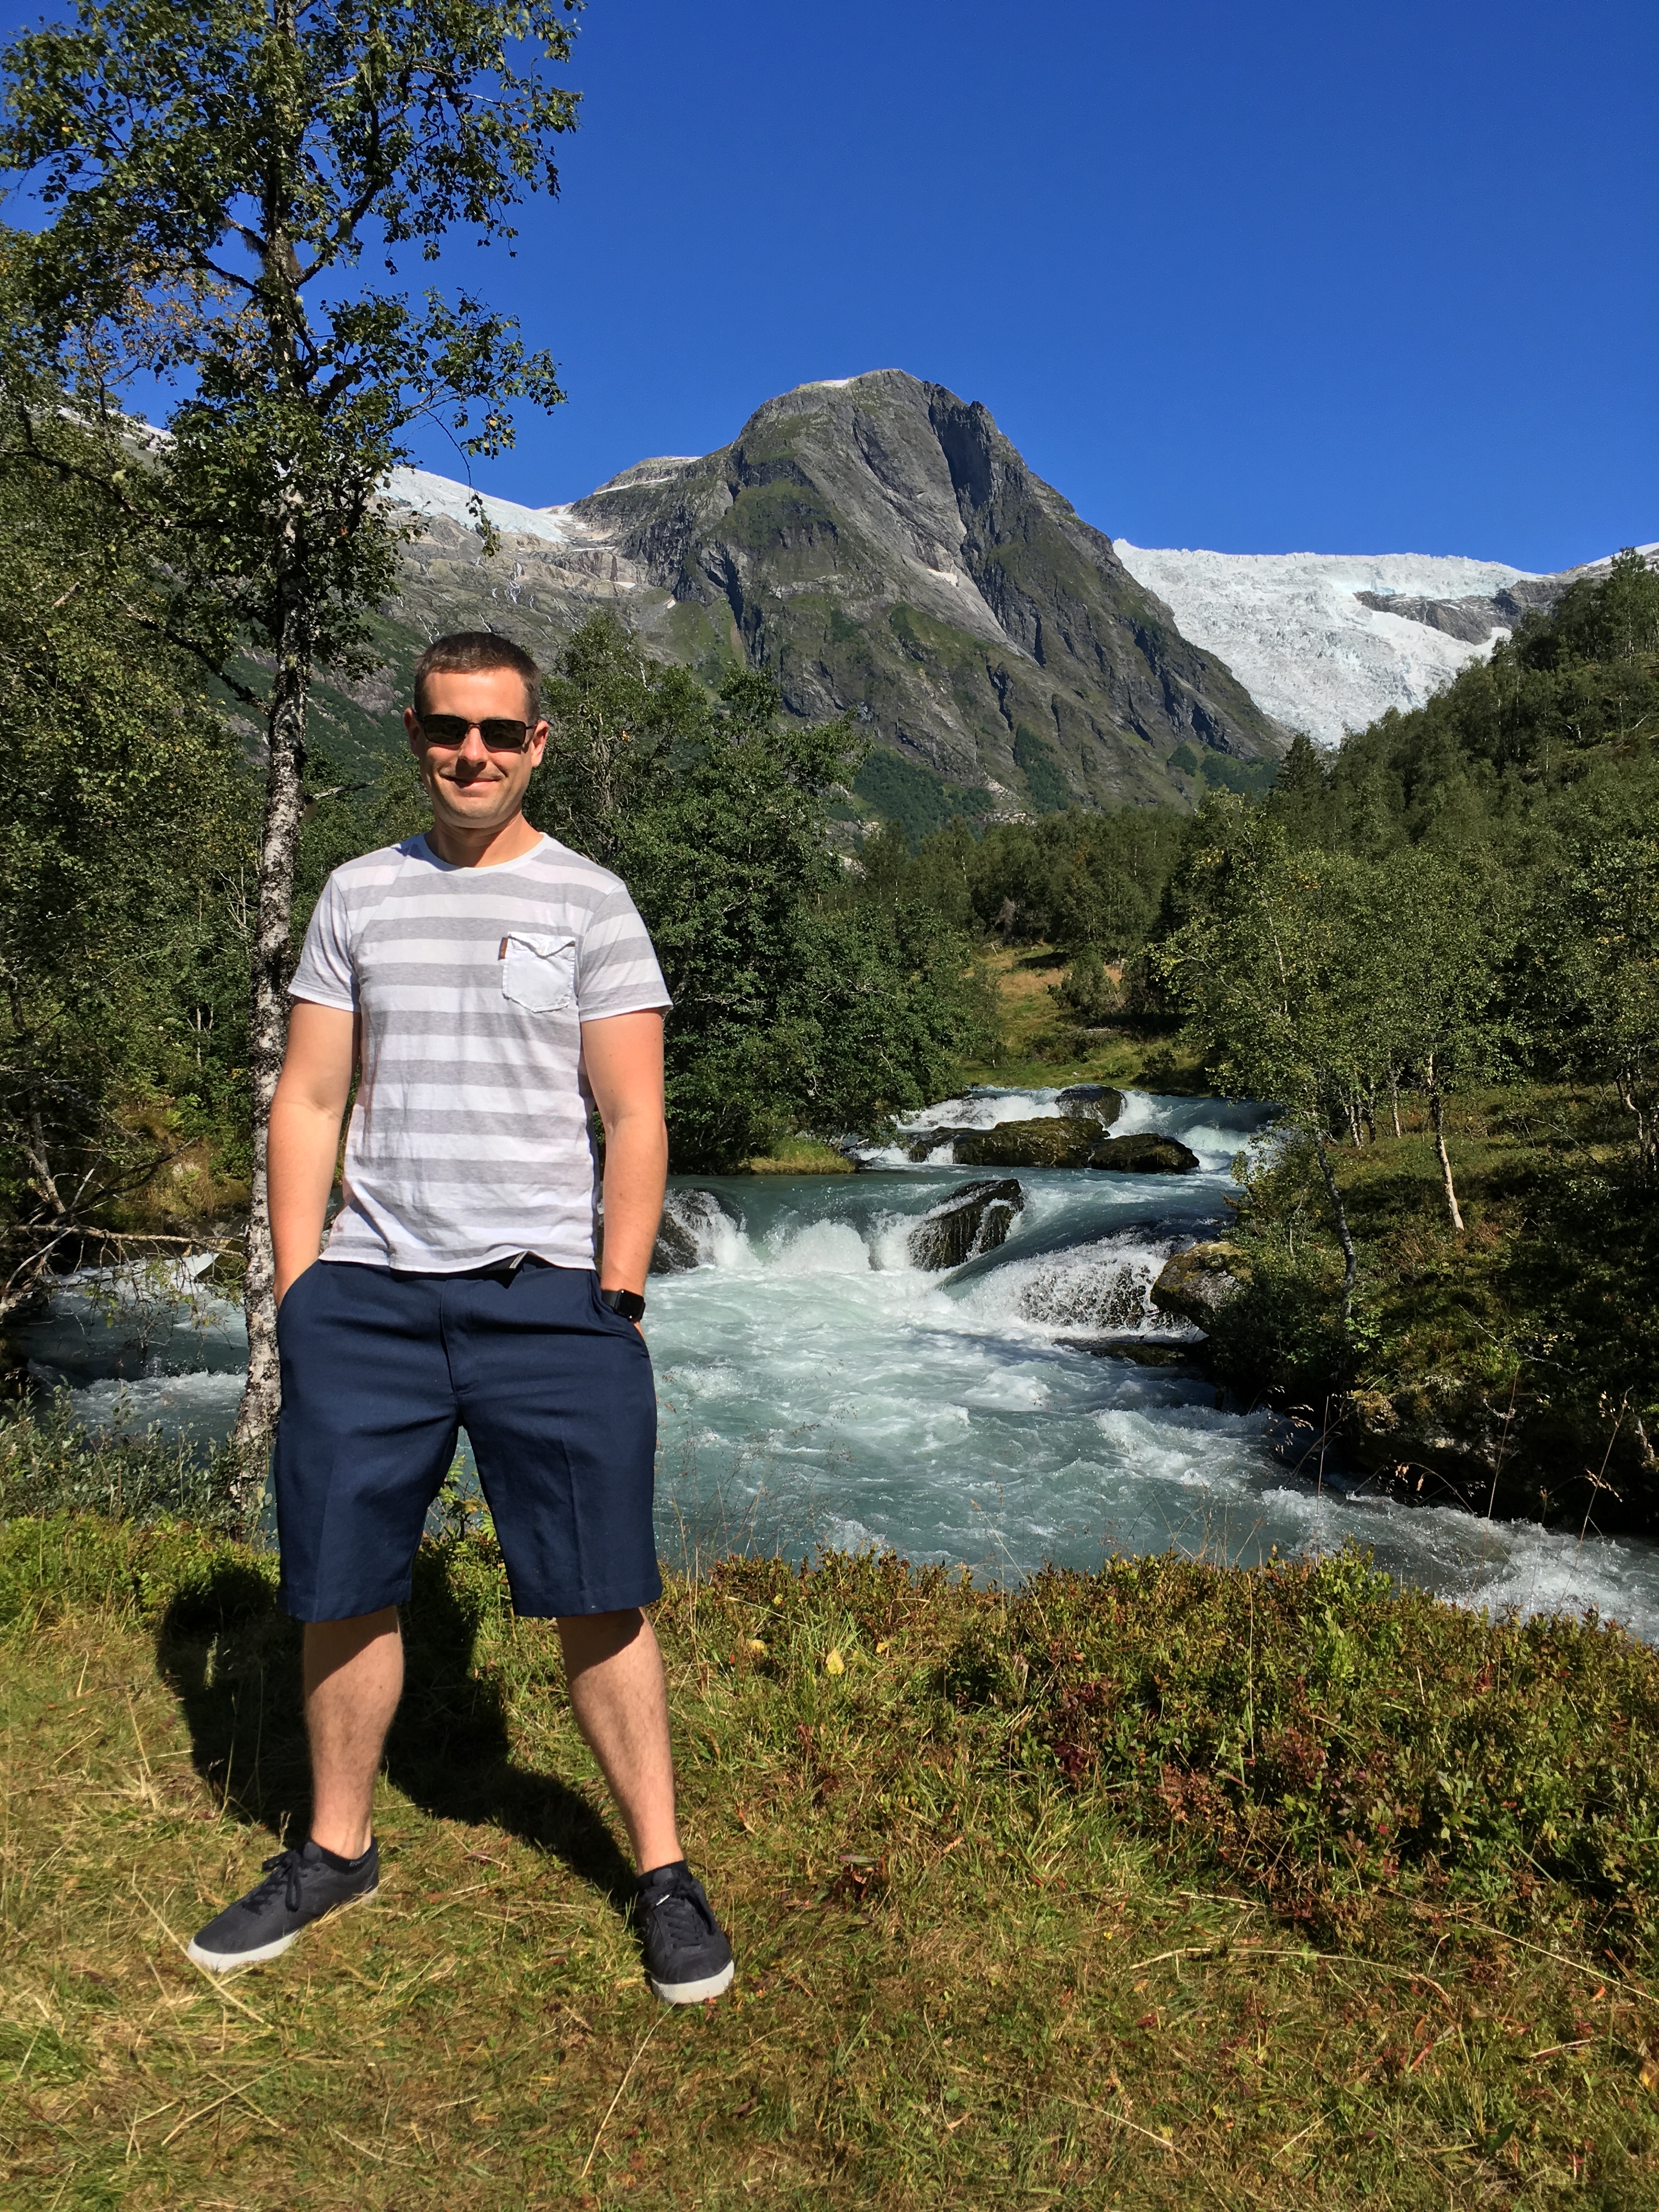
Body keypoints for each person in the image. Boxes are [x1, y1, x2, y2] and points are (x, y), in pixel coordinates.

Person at [188, 630, 733, 2005]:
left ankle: (662, 1871)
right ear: (416, 735)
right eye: (448, 729)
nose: (471, 754)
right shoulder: (358, 893)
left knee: (600, 1586)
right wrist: (302, 1292)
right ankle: (335, 1849)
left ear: (537, 743)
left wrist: (618, 1292)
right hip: (367, 1297)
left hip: (548, 1299)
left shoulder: (592, 901)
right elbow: (309, 1098)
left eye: (498, 731)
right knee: (340, 1582)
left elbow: (635, 1116)